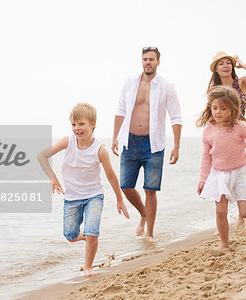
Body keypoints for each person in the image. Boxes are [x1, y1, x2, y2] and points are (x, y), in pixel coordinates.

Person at [38, 102, 130, 276]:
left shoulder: (100, 150)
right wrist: (53, 177)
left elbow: (111, 176)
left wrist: (119, 199)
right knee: (71, 235)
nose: (77, 128)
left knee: (92, 231)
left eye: (81, 124)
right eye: (73, 124)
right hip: (72, 197)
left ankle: (88, 266)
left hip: (94, 195)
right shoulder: (68, 141)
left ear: (92, 124)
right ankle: (88, 237)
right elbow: (42, 156)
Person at [112, 46, 182, 239]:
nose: (147, 62)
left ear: (158, 62)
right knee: (126, 186)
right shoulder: (130, 82)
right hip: (130, 141)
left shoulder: (167, 85)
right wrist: (115, 137)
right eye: (145, 59)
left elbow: (176, 116)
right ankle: (143, 214)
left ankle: (149, 234)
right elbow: (120, 109)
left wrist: (176, 145)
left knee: (150, 190)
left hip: (154, 145)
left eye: (151, 59)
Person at [196, 86, 246, 249]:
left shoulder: (240, 126)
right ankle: (225, 243)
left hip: (240, 171)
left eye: (223, 108)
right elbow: (206, 157)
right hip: (219, 174)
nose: (218, 112)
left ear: (232, 109)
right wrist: (202, 179)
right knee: (220, 211)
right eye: (215, 108)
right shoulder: (208, 132)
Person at [208, 50, 246, 228]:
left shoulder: (240, 84)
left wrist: (241, 63)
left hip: (240, 134)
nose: (225, 66)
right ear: (216, 69)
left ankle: (241, 218)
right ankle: (223, 221)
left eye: (228, 63)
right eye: (221, 64)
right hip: (222, 137)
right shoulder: (214, 91)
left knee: (240, 175)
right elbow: (211, 115)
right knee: (222, 177)